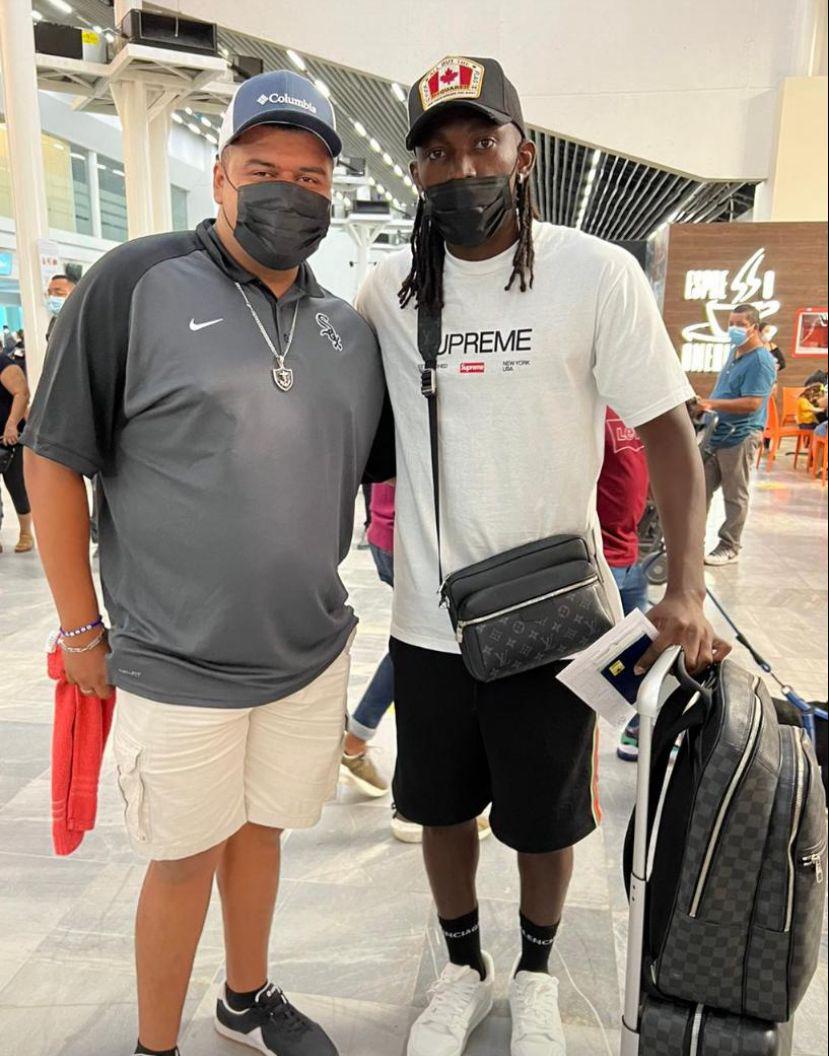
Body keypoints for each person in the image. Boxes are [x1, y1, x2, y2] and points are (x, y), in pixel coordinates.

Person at [355, 54, 729, 1056]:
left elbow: (667, 436)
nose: (461, 167)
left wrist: (686, 589)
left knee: (546, 820)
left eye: (483, 143)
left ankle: (532, 972)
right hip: (429, 622)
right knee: (436, 807)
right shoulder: (387, 291)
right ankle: (461, 968)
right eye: (436, 153)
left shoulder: (593, 274)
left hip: (562, 621)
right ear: (418, 171)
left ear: (525, 155)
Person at [23, 70, 392, 1056]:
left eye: (310, 176)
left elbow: (372, 476)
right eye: (262, 167)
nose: (287, 190)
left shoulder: (348, 334)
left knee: (261, 833)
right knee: (182, 857)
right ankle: (156, 1045)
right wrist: (77, 626)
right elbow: (53, 458)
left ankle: (246, 995)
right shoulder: (134, 282)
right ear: (220, 175)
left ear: (331, 195)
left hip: (306, 653)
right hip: (176, 656)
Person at [339, 483, 493, 844]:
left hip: (393, 531)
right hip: (413, 540)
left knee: (417, 650)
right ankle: (412, 807)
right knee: (425, 657)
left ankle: (356, 742)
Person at [696, 304, 776, 567]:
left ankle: (730, 545)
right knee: (700, 488)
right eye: (731, 322)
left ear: (754, 326)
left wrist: (711, 404)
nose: (734, 329)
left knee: (734, 492)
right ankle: (693, 542)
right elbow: (724, 391)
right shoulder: (735, 353)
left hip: (740, 435)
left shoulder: (761, 361)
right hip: (718, 432)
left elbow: (753, 403)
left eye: (740, 324)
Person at [0, 349, 32, 554]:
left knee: (17, 486)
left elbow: (22, 393)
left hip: (9, 439)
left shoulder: (3, 363)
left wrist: (12, 423)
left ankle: (26, 533)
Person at [45, 273, 77, 340]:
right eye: (49, 293)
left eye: (59, 293)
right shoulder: (55, 321)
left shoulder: (82, 321)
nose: (52, 297)